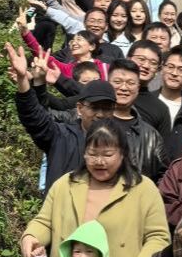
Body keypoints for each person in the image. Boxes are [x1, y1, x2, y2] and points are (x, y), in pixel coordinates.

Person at [21, 119, 169, 257]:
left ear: (123, 153)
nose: (99, 161)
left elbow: (158, 236)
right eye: (92, 154)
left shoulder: (143, 188)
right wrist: (31, 237)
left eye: (107, 154)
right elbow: (44, 222)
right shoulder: (65, 184)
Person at [7, 43, 116, 192]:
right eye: (95, 107)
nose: (101, 114)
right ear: (80, 108)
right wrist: (23, 81)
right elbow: (35, 117)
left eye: (107, 108)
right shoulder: (61, 137)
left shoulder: (123, 141)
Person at [106, 58, 166, 176]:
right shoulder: (90, 122)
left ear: (138, 88)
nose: (124, 88)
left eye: (130, 83)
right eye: (117, 82)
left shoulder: (151, 136)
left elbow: (163, 176)